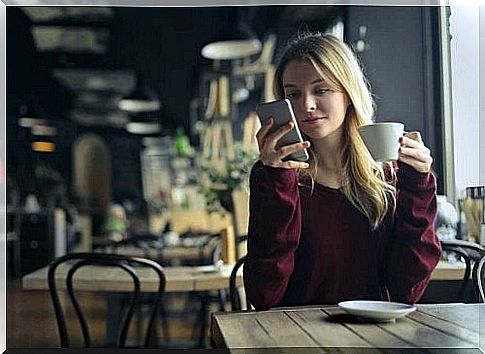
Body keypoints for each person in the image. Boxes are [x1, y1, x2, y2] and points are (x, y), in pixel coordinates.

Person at [244, 32, 442, 311]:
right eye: (293, 95)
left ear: (349, 94)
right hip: (297, 337)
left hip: (374, 336)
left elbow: (406, 290)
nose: (307, 106)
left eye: (321, 89)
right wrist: (277, 180)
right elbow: (264, 294)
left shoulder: (390, 174)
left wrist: (419, 184)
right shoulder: (275, 176)